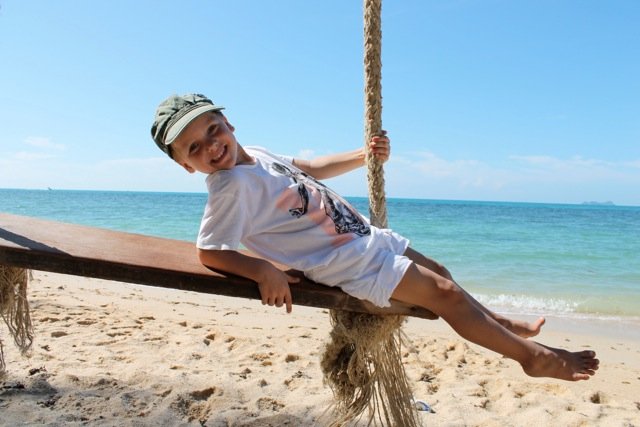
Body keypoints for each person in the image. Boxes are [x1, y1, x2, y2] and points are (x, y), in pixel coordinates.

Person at [151, 93, 599, 382]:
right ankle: (532, 359)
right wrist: (261, 269)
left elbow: (307, 168)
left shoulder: (257, 156)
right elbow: (209, 249)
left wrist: (363, 155)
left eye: (213, 129)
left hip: (361, 237)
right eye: (194, 148)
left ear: (228, 121)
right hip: (345, 262)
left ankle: (502, 321)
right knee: (443, 294)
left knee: (441, 272)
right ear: (186, 166)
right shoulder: (230, 186)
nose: (211, 145)